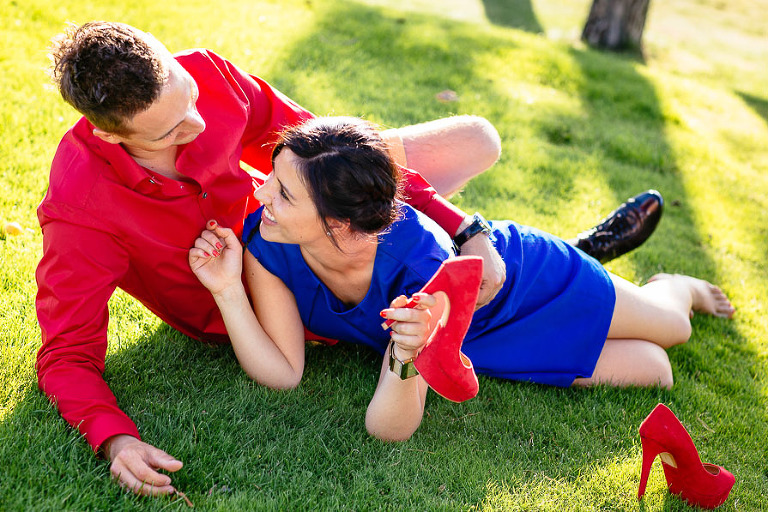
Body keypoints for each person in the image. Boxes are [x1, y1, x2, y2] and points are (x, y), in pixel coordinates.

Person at [36, 22, 661, 496]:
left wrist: (462, 226)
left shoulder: (211, 77)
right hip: (269, 280)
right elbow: (65, 351)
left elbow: (325, 143)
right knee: (623, 351)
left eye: (192, 96)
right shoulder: (80, 209)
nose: (200, 125)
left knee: (476, 140)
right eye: (172, 131)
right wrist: (113, 435)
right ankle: (546, 270)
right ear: (111, 135)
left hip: (317, 227)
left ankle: (520, 258)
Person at [190, 116, 734, 444]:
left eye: (283, 192)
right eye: (272, 179)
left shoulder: (419, 264)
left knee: (673, 329)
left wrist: (413, 349)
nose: (260, 196)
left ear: (341, 223)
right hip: (477, 337)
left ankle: (675, 284)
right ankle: (610, 268)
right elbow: (285, 373)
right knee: (655, 372)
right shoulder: (267, 238)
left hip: (525, 282)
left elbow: (390, 425)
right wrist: (228, 289)